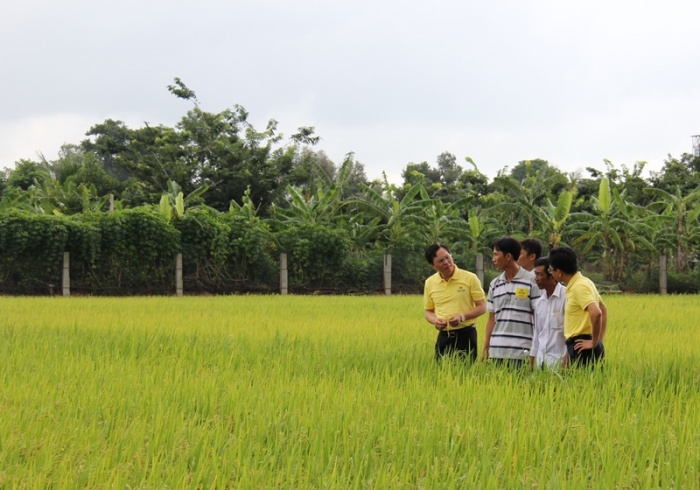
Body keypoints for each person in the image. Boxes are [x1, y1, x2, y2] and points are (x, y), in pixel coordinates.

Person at [482, 237, 541, 367]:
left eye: (496, 255)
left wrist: (536, 350)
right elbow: (492, 318)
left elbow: (538, 317)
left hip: (522, 352)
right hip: (497, 351)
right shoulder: (495, 284)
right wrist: (485, 348)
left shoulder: (532, 281)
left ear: (508, 256)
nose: (493, 259)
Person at [424, 244, 487, 362]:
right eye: (440, 261)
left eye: (448, 257)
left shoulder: (470, 278)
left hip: (466, 335)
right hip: (444, 336)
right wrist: (435, 321)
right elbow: (428, 311)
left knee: (466, 374)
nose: (446, 262)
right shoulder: (430, 283)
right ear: (433, 265)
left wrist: (461, 317)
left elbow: (482, 307)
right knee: (440, 373)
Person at [547, 247, 607, 367]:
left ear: (559, 272)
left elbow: (597, 312)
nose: (551, 273)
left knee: (582, 384)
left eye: (551, 270)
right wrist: (599, 338)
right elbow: (603, 308)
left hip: (583, 347)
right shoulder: (585, 282)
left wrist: (594, 341)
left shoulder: (579, 287)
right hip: (579, 344)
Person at [530, 257, 567, 369]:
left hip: (560, 364)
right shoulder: (539, 303)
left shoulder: (567, 297)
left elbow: (571, 336)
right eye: (535, 274)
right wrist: (531, 363)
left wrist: (566, 364)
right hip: (541, 364)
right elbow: (537, 334)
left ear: (552, 276)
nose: (536, 278)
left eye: (540, 274)